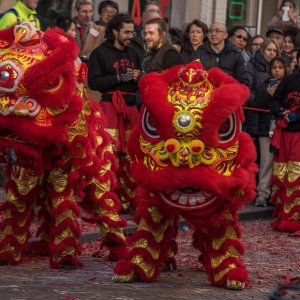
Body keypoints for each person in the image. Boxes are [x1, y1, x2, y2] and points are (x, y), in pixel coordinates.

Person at [88, 13, 141, 211]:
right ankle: (104, 200)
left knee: (130, 156)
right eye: (126, 32)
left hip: (130, 108)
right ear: (114, 31)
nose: (130, 36)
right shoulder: (99, 53)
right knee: (106, 155)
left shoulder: (134, 53)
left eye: (132, 32)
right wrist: (120, 77)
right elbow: (94, 82)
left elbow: (139, 82)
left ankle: (128, 201)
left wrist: (138, 77)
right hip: (109, 107)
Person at [249, 57, 290, 207]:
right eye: (274, 67)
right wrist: (268, 93)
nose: (277, 70)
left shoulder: (289, 85)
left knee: (281, 162)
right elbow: (255, 104)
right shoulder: (265, 85)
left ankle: (276, 193)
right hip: (266, 129)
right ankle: (263, 193)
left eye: (280, 67)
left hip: (284, 128)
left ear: (286, 69)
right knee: (266, 162)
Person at [268, 50, 300, 234]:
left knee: (297, 174)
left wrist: (296, 116)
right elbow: (274, 101)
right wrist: (281, 112)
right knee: (283, 174)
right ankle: (285, 215)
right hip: (285, 133)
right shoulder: (290, 80)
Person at [245, 38, 280, 136]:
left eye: (275, 51)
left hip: (273, 115)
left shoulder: (280, 68)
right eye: (269, 50)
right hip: (256, 114)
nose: (272, 53)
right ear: (262, 50)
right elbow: (248, 90)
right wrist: (258, 102)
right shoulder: (252, 65)